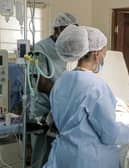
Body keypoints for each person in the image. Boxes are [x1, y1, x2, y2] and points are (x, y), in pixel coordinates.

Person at [43, 24, 129, 168]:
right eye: (104, 53)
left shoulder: (61, 81)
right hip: (88, 160)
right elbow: (110, 134)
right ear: (97, 54)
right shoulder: (96, 86)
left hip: (63, 156)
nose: (104, 56)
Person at [30, 13, 78, 168]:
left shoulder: (69, 48)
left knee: (56, 156)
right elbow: (41, 83)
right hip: (44, 110)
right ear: (57, 30)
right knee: (42, 155)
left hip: (61, 110)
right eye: (65, 32)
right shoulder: (41, 48)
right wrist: (63, 96)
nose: (69, 38)